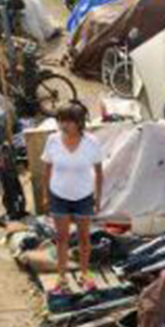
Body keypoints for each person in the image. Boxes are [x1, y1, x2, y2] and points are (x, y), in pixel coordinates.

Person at [42, 102, 103, 293]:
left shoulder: (91, 142)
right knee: (61, 239)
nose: (63, 125)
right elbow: (47, 169)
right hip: (58, 195)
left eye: (68, 121)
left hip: (84, 196)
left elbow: (99, 172)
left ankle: (85, 274)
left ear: (79, 122)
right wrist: (45, 196)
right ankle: (61, 277)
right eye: (60, 121)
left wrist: (97, 198)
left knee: (84, 239)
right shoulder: (52, 140)